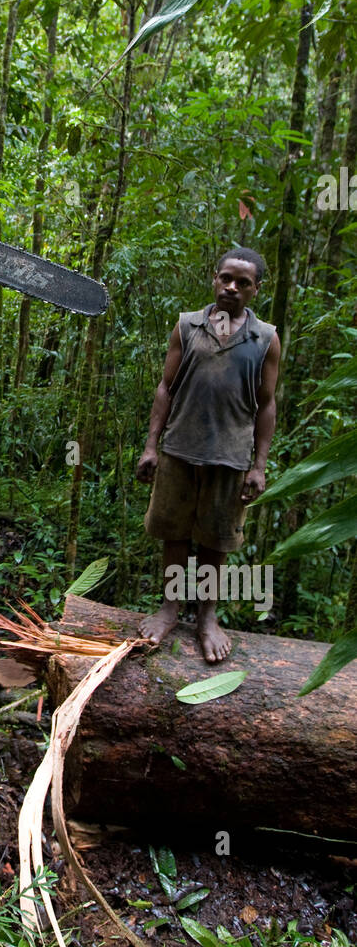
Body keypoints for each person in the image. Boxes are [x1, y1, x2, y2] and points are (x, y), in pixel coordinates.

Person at [135, 248, 280, 663]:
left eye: (242, 283)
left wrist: (259, 465)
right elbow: (166, 387)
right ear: (215, 279)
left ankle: (207, 618)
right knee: (174, 533)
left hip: (231, 457)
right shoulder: (188, 326)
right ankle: (169, 609)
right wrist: (150, 446)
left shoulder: (264, 338)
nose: (231, 288)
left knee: (216, 541)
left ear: (256, 289)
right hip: (181, 448)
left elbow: (266, 403)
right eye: (225, 279)